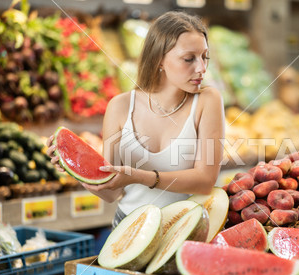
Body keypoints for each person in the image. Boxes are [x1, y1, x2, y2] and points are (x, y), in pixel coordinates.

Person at [46, 11, 225, 228]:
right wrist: (75, 166)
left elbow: (205, 181)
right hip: (128, 226)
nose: (201, 68)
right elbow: (111, 193)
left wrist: (140, 176)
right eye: (189, 59)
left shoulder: (208, 99)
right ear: (159, 59)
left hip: (184, 228)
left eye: (204, 57)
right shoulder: (120, 107)